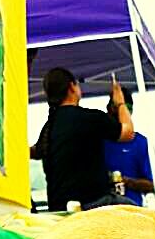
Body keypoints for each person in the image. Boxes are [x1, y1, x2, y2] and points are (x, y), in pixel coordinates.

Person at [31, 67, 134, 211]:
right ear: (72, 87)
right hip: (94, 204)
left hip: (59, 208)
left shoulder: (49, 128)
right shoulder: (91, 118)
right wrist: (120, 103)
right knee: (141, 215)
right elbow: (128, 132)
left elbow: (35, 152)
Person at [103, 89, 154, 206]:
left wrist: (125, 181)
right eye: (114, 108)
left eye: (123, 109)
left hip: (132, 211)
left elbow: (151, 185)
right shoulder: (97, 141)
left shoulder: (140, 142)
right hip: (103, 212)